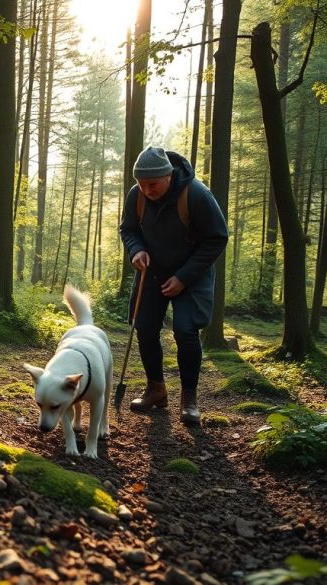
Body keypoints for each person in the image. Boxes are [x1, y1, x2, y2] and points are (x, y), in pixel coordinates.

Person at [119, 146, 229, 425]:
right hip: (152, 273)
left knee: (185, 330)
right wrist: (136, 250)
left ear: (168, 175)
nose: (145, 189)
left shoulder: (196, 195)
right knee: (143, 327)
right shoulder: (137, 196)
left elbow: (216, 238)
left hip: (192, 276)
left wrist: (184, 277)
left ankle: (189, 399)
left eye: (151, 184)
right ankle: (156, 389)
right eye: (140, 184)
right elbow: (129, 229)